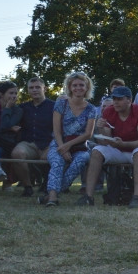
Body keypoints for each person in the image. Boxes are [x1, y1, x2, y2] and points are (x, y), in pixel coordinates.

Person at [77, 86, 138, 208]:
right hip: (119, 148)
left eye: (119, 99)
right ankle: (88, 196)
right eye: (114, 98)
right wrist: (101, 128)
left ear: (129, 100)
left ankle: (136, 197)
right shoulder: (108, 111)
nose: (115, 102)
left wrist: (123, 144)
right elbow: (106, 141)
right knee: (96, 151)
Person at [42, 72, 98, 206]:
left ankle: (51, 194)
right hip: (58, 143)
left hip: (79, 146)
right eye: (75, 85)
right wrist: (62, 148)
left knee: (81, 160)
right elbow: (56, 130)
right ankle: (53, 199)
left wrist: (68, 146)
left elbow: (88, 134)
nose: (78, 88)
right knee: (57, 162)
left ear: (87, 87)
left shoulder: (91, 109)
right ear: (69, 87)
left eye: (81, 85)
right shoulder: (61, 104)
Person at [11, 77, 56, 197]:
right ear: (28, 90)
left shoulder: (55, 106)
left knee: (46, 158)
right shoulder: (22, 107)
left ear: (44, 89)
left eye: (37, 87)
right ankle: (27, 186)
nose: (34, 90)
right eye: (31, 88)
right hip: (29, 143)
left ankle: (48, 184)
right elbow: (10, 122)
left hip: (49, 143)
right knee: (17, 153)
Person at [0, 81, 23, 185]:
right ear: (1, 95)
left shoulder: (18, 111)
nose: (14, 96)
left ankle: (1, 173)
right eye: (11, 93)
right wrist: (9, 129)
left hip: (8, 143)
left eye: (15, 93)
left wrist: (7, 108)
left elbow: (5, 125)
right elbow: (7, 127)